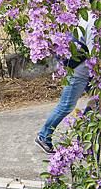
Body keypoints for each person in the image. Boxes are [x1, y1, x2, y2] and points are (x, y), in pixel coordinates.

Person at [35, 13, 96, 154]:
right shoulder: (94, 20)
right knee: (66, 105)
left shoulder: (89, 14)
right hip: (80, 69)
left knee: (98, 101)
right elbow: (94, 52)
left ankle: (88, 131)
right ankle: (43, 136)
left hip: (87, 68)